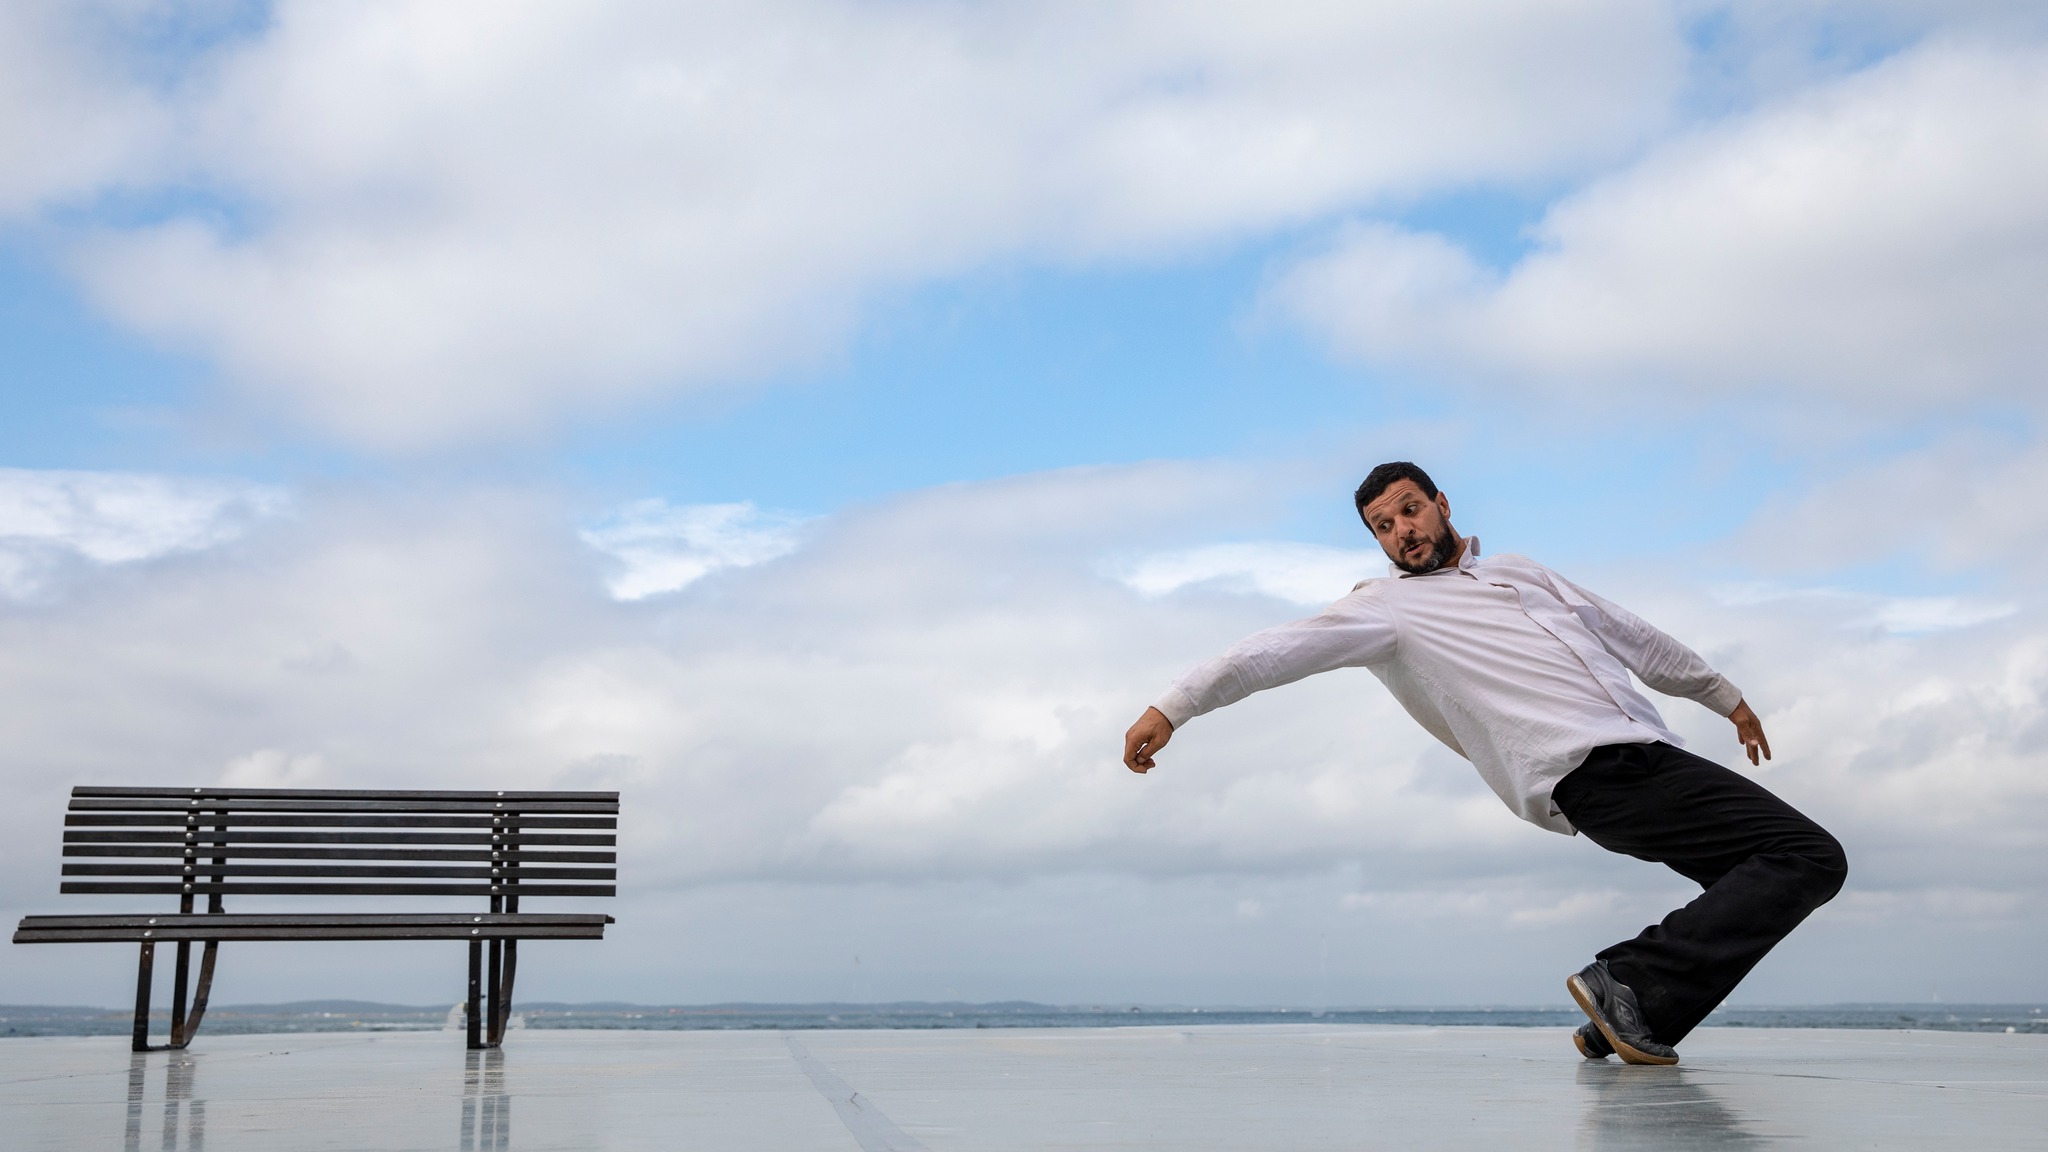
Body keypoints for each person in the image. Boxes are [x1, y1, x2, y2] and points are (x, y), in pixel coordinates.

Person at [1121, 462, 1846, 1065]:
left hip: (1648, 756)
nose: (1402, 530)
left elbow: (1632, 635)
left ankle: (1627, 1014)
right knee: (1809, 855)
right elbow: (1272, 651)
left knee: (1762, 877)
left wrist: (1725, 697)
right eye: (1384, 526)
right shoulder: (1387, 611)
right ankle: (1629, 980)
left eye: (1409, 510)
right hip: (1586, 772)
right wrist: (1173, 707)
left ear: (1440, 504)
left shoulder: (1522, 572)